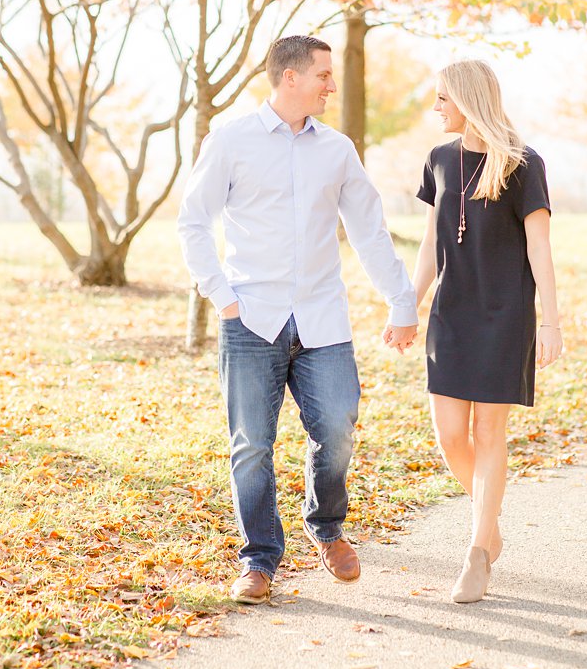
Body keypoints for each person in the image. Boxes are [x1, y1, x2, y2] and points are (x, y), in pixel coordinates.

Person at [178, 35, 419, 606]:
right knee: (251, 447)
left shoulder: (336, 149)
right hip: (251, 319)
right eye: (323, 75)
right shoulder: (231, 140)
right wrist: (222, 296)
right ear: (290, 78)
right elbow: (193, 222)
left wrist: (401, 300)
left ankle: (326, 526)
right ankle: (259, 559)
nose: (332, 85)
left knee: (336, 429)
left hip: (322, 318)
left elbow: (368, 230)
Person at [405, 58, 561, 604]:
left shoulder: (523, 164)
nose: (436, 108)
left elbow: (539, 247)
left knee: (489, 434)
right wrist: (408, 305)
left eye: (443, 98)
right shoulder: (439, 159)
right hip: (451, 313)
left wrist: (551, 322)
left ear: (467, 98)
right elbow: (430, 244)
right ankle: (490, 523)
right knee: (450, 434)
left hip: (504, 313)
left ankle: (476, 552)